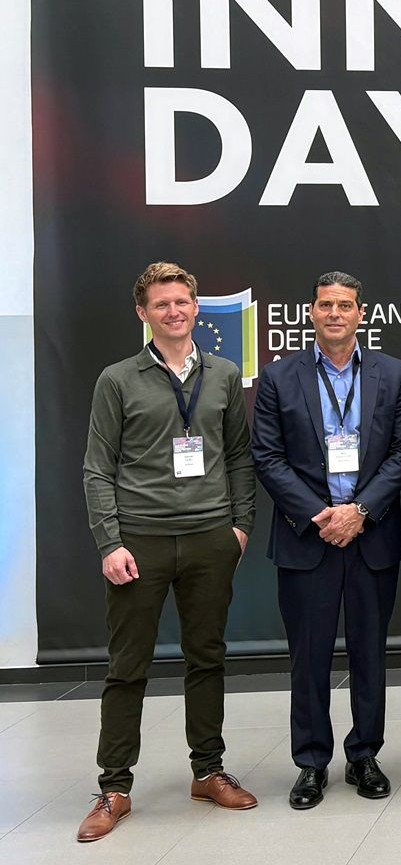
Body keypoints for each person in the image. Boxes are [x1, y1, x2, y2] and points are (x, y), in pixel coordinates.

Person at [77, 262, 258, 842]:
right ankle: (114, 788)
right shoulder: (118, 379)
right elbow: (97, 469)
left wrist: (240, 527)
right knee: (127, 668)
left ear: (196, 307)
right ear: (143, 313)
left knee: (206, 658)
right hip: (140, 543)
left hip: (210, 538)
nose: (174, 311)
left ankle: (208, 771)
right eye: (161, 304)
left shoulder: (225, 373)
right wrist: (110, 542)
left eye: (182, 301)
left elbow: (238, 457)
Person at [253, 271, 401, 809]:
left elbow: (400, 454)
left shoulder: (393, 375)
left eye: (346, 305)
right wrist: (323, 514)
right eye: (326, 305)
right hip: (309, 538)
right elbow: (269, 458)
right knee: (309, 656)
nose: (335, 314)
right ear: (311, 312)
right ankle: (311, 762)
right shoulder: (279, 377)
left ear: (361, 314)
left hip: (370, 536)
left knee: (370, 653)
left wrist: (361, 511)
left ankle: (365, 755)